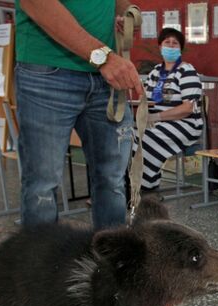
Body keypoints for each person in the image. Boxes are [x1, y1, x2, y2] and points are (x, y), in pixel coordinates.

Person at [15, 0, 143, 229]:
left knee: (112, 181)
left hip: (106, 74)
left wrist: (128, 13)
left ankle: (112, 260)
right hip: (48, 68)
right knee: (42, 187)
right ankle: (38, 265)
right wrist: (102, 56)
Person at [133, 28, 203, 192]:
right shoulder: (155, 72)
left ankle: (146, 188)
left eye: (175, 43)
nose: (171, 46)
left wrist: (156, 116)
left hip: (185, 123)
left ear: (180, 48)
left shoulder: (186, 70)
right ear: (160, 46)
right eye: (167, 42)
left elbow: (188, 108)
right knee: (128, 136)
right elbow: (147, 100)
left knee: (147, 139)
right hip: (157, 122)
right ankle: (136, 184)